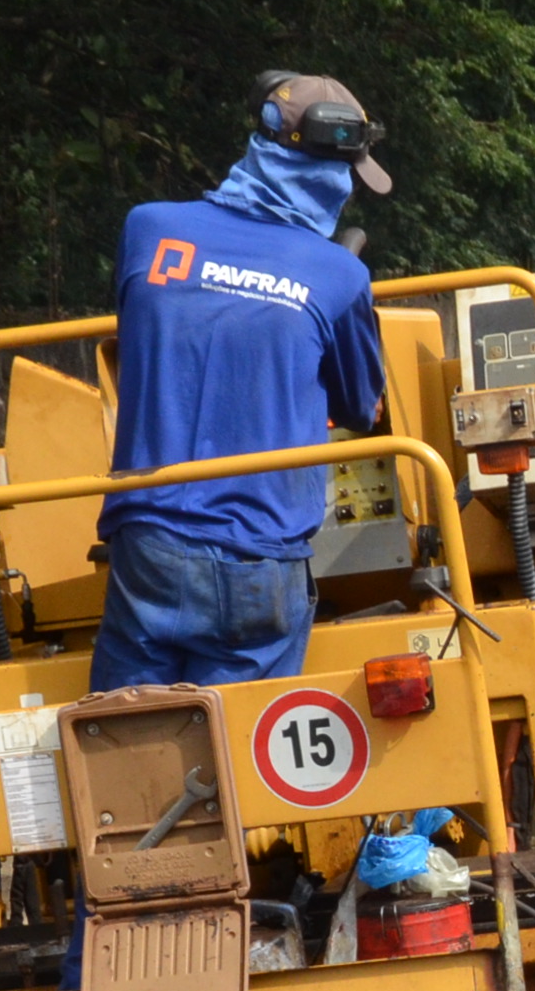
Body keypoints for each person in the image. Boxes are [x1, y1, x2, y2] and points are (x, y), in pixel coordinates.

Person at [92, 72, 394, 691]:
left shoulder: (147, 229)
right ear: (335, 174)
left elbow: (158, 337)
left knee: (125, 747)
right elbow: (362, 408)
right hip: (261, 557)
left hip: (148, 544)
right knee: (244, 762)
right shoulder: (337, 274)